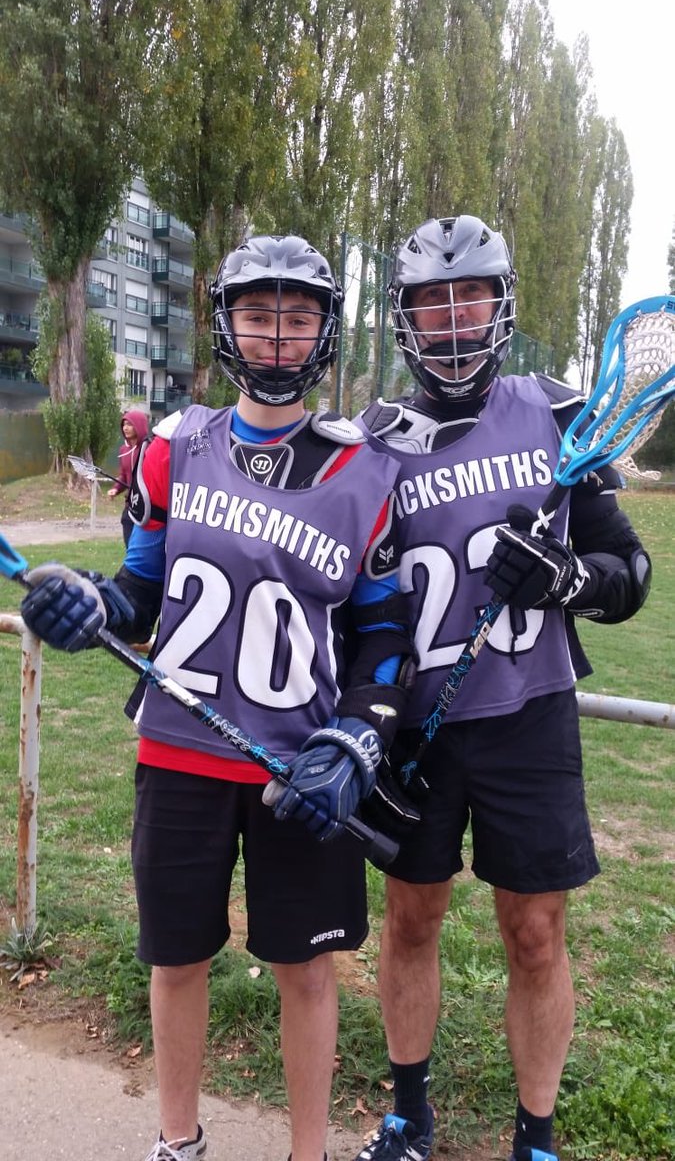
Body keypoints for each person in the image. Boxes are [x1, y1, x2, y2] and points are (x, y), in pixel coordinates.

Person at [19, 234, 417, 1161]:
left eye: (296, 318)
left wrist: (356, 740)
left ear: (324, 331)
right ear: (226, 324)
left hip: (298, 768)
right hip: (178, 754)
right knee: (177, 957)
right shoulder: (174, 446)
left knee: (305, 968)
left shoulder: (367, 472)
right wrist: (90, 604)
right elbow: (138, 592)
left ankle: (307, 1152)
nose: (276, 337)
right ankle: (177, 1141)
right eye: (256, 315)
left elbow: (385, 636)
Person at [351, 215, 652, 1161]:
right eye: (431, 303)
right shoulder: (373, 441)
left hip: (529, 713)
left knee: (534, 931)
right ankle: (408, 1115)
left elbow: (628, 571)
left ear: (500, 305)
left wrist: (567, 578)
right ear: (404, 318)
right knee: (411, 918)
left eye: (469, 297)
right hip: (418, 726)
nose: (451, 320)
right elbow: (350, 594)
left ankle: (536, 1137)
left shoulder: (556, 413)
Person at [108, 409, 149, 545]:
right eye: (124, 424)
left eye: (130, 424)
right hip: (130, 506)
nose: (125, 428)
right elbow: (124, 476)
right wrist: (116, 489)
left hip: (147, 507)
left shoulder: (149, 448)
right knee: (129, 545)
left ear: (139, 425)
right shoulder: (123, 450)